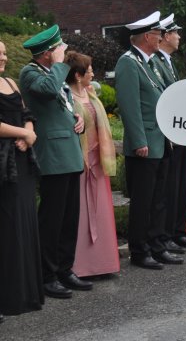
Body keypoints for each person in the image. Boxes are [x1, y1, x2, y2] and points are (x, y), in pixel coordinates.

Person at [19, 25, 91, 298]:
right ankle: (47, 275)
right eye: (58, 48)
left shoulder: (54, 73)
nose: (63, 51)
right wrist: (60, 64)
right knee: (52, 219)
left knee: (69, 218)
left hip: (69, 153)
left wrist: (77, 118)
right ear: (47, 53)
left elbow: (62, 102)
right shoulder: (31, 73)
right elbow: (49, 91)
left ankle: (64, 269)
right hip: (53, 156)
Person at [115, 11, 183, 270]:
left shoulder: (150, 62)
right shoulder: (128, 63)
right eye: (157, 34)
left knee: (158, 199)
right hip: (144, 144)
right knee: (143, 202)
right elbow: (130, 106)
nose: (161, 38)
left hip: (160, 140)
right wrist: (138, 141)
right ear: (146, 36)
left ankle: (157, 245)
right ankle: (140, 250)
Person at [64, 51, 120, 277]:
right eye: (89, 71)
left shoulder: (91, 94)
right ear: (78, 75)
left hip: (98, 163)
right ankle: (82, 266)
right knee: (82, 213)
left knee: (101, 213)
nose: (93, 74)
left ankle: (105, 263)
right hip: (81, 162)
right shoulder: (67, 98)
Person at [0, 40, 44, 319]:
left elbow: (27, 113)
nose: (3, 58)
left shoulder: (10, 82)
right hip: (3, 167)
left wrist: (29, 133)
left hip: (22, 162)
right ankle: (8, 297)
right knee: (8, 227)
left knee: (25, 222)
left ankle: (27, 293)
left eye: (4, 53)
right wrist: (23, 134)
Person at [155, 14, 186, 252]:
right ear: (165, 36)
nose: (179, 37)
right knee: (170, 188)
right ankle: (167, 234)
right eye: (175, 33)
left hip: (179, 131)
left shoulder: (169, 62)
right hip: (168, 133)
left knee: (182, 185)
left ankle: (178, 230)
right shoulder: (156, 62)